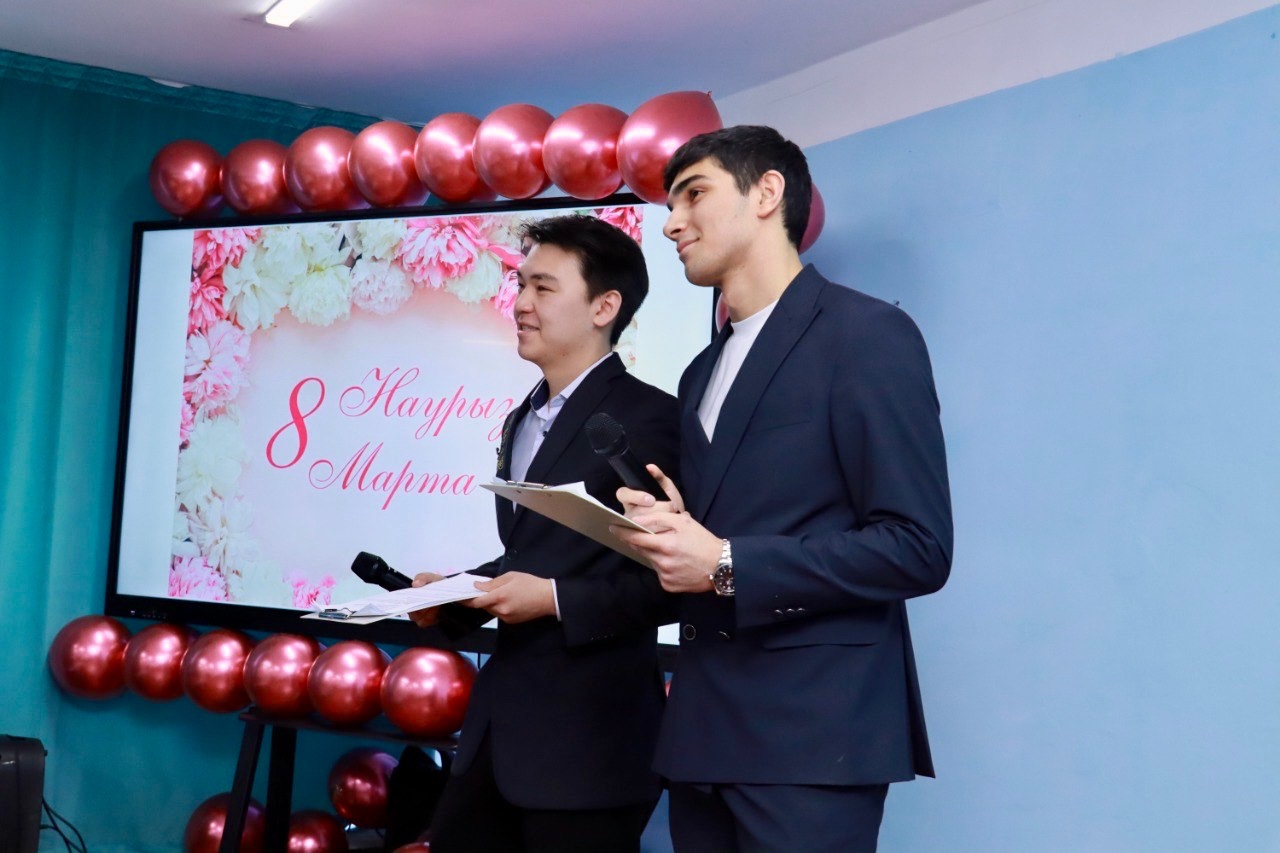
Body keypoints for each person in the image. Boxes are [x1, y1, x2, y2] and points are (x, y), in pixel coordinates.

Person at [612, 126, 954, 852]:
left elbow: (918, 547)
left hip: (813, 739)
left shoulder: (868, 334)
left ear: (767, 192)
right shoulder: (699, 373)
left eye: (694, 194)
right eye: (670, 205)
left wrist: (725, 561)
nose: (672, 223)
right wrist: (674, 531)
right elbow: (727, 532)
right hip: (701, 735)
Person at [407, 213, 679, 853]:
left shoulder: (651, 418)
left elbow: (674, 581)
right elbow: (538, 553)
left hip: (592, 745)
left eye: (544, 288)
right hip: (497, 737)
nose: (521, 303)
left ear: (604, 307)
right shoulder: (520, 419)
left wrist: (554, 600)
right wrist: (453, 595)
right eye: (520, 284)